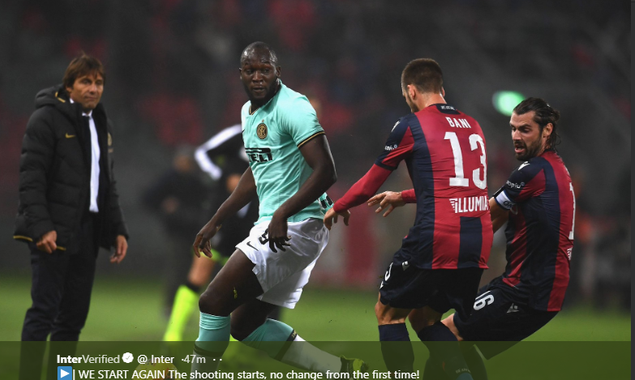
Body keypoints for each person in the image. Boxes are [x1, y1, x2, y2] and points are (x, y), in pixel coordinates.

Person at [190, 41, 366, 374]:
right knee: (245, 327)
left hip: (297, 226)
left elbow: (326, 170)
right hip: (283, 226)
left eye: (265, 69)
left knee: (212, 302)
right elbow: (256, 171)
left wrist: (283, 213)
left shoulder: (294, 107)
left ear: (277, 72)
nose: (258, 77)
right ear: (240, 73)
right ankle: (338, 370)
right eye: (250, 70)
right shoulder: (247, 112)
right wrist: (216, 220)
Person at [376, 98, 571, 380]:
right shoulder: (553, 168)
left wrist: (432, 230)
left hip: (528, 290)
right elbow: (483, 209)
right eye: (513, 128)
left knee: (444, 333)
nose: (516, 136)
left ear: (547, 130)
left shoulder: (533, 172)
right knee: (447, 334)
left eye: (525, 130)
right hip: (537, 286)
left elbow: (481, 208)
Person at [324, 58, 492, 380]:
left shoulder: (411, 125)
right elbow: (462, 186)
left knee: (388, 313)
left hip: (437, 236)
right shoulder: (474, 124)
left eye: (406, 96)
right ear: (441, 89)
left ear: (411, 91)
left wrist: (339, 204)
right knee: (425, 319)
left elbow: (371, 182)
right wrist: (403, 196)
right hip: (477, 238)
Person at [14, 53, 129, 379]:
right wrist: (42, 227)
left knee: (73, 318)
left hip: (88, 231)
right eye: (86, 82)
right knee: (44, 312)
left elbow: (106, 183)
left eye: (98, 82)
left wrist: (118, 228)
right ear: (69, 86)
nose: (93, 89)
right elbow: (30, 178)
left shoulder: (100, 123)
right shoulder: (46, 119)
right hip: (54, 232)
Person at [162, 129, 261, 342]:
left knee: (242, 283)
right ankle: (173, 334)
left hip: (252, 221)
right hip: (222, 217)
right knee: (199, 272)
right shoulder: (239, 134)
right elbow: (202, 154)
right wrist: (223, 177)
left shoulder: (280, 141)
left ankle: (234, 345)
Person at [142, 145, 209, 317]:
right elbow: (148, 198)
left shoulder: (195, 181)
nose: (184, 164)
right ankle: (170, 306)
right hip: (176, 232)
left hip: (194, 232)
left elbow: (207, 200)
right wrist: (164, 206)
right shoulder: (169, 179)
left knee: (191, 272)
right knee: (176, 270)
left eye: (187, 161)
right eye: (182, 160)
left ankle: (183, 308)